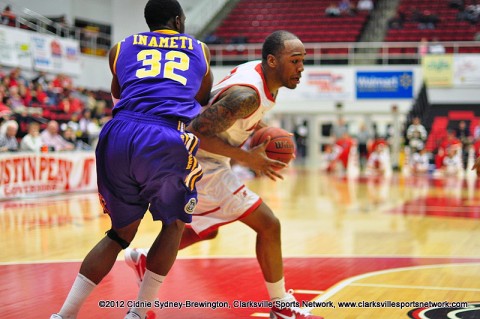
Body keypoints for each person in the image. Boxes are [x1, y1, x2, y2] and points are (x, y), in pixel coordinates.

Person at [125, 30, 323, 319]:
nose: (301, 67)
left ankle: (145, 261)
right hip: (200, 162)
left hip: (205, 159)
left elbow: (232, 115)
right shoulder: (247, 95)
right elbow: (197, 133)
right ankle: (281, 306)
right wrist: (249, 158)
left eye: (302, 60)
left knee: (207, 228)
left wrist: (259, 129)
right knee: (269, 225)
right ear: (271, 60)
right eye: (295, 61)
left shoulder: (258, 77)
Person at [50, 0, 213, 318]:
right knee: (174, 223)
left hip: (118, 133)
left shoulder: (120, 47)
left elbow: (118, 93)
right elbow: (201, 98)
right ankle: (137, 313)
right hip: (165, 135)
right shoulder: (200, 49)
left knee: (119, 233)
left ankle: (64, 315)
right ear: (179, 20)